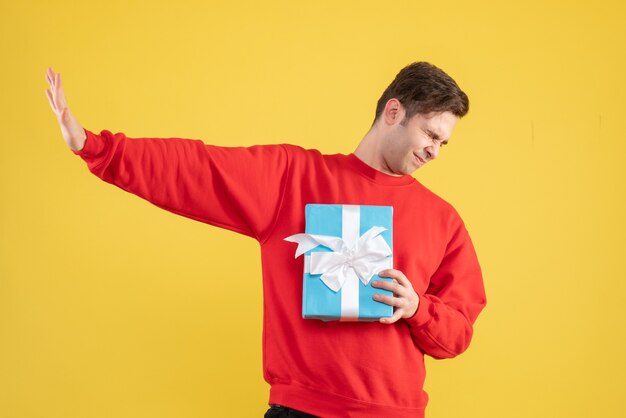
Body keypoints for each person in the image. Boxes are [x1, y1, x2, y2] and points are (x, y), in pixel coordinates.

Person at [46, 62, 487, 418]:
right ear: (393, 113)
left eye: (444, 143)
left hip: (397, 414)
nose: (435, 151)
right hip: (302, 411)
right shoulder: (293, 178)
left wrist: (417, 308)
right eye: (430, 134)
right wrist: (97, 148)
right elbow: (198, 170)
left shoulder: (443, 219)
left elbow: (457, 333)